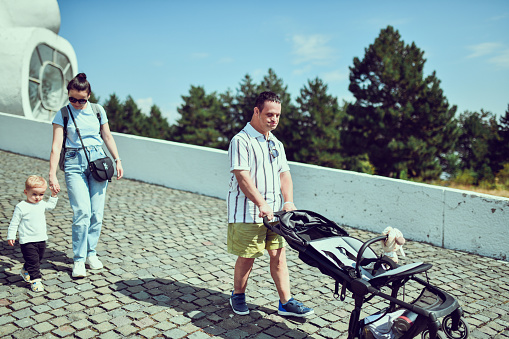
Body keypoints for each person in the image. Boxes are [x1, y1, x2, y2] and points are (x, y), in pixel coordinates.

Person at [226, 91, 314, 317]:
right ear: (256, 111)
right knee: (247, 256)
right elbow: (242, 176)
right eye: (269, 114)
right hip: (247, 212)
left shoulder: (276, 143)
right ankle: (238, 295)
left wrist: (289, 202)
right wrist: (261, 203)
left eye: (277, 115)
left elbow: (285, 174)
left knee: (278, 255)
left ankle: (286, 302)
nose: (274, 119)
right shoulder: (241, 140)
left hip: (275, 214)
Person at [48, 73, 123, 278]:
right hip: (73, 163)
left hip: (98, 162)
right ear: (68, 96)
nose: (77, 103)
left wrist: (117, 159)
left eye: (81, 99)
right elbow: (56, 147)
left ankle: (91, 253)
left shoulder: (98, 111)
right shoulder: (62, 114)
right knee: (82, 211)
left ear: (89, 95)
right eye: (72, 99)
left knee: (96, 213)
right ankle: (79, 260)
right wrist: (52, 175)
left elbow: (107, 136)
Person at [7, 175, 58, 292]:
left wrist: (53, 195)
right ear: (26, 192)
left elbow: (50, 206)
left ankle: (26, 269)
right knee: (34, 261)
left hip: (41, 238)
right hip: (27, 240)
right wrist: (11, 235)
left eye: (41, 194)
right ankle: (36, 280)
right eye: (34, 194)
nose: (37, 198)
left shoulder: (41, 204)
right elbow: (14, 223)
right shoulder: (21, 207)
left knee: (38, 259)